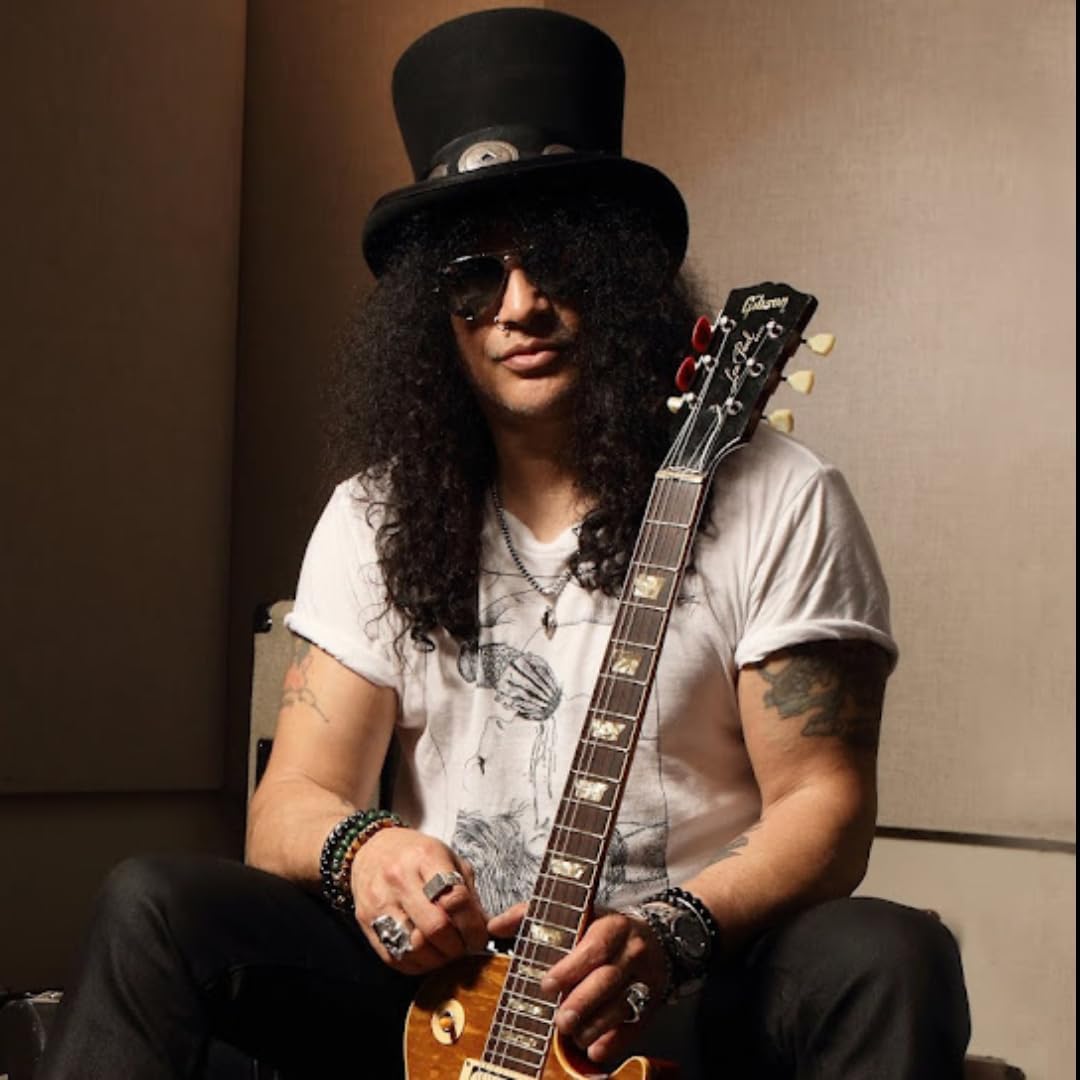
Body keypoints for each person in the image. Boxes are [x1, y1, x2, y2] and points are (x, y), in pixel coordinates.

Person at [40, 9, 970, 1079]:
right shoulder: (375, 513)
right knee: (152, 902)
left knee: (892, 954)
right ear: (432, 315)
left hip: (675, 988)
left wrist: (670, 935)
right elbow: (290, 802)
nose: (520, 306)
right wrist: (363, 852)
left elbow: (824, 802)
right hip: (436, 1000)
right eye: (476, 279)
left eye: (558, 262)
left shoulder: (781, 497)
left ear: (620, 279)